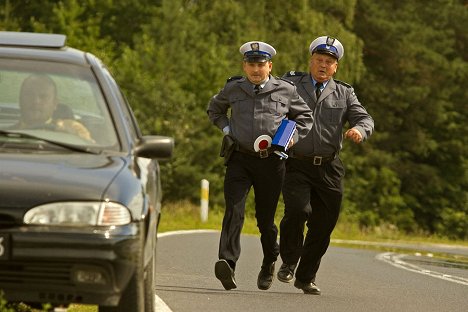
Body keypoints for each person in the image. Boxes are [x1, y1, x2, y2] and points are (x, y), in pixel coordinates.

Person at [207, 41, 313, 291]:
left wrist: (287, 140)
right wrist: (227, 129)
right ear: (245, 66)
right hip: (239, 160)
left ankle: (269, 261)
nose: (256, 69)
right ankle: (228, 262)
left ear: (270, 66)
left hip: (272, 162)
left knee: (265, 221)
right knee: (234, 210)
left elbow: (305, 117)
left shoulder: (285, 90)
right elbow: (215, 110)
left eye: (261, 65)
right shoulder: (233, 88)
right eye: (251, 64)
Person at [277, 36, 374, 295]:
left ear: (335, 67)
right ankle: (288, 260)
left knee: (323, 224)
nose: (323, 65)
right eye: (319, 60)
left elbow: (364, 118)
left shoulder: (344, 92)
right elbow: (271, 110)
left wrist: (359, 129)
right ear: (311, 61)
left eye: (328, 62)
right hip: (296, 163)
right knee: (297, 211)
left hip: (329, 168)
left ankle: (306, 277)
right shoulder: (290, 84)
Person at [13, 74, 93, 142]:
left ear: (55, 104)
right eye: (29, 95)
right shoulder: (5, 135)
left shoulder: (73, 129)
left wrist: (71, 136)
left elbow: (90, 152)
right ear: (20, 100)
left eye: (43, 97)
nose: (36, 101)